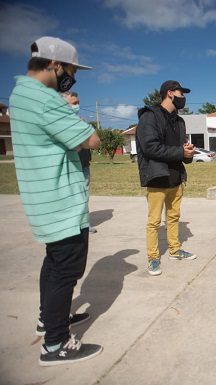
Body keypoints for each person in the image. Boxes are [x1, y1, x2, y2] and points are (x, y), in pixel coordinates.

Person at [9, 36, 102, 366]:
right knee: (66, 269)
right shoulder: (46, 101)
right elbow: (91, 139)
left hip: (43, 199)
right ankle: (55, 345)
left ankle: (48, 319)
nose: (73, 78)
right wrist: (74, 119)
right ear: (55, 65)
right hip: (60, 200)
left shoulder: (20, 93)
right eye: (72, 70)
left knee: (53, 266)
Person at [136, 80, 197, 276]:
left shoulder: (180, 121)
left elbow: (181, 150)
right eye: (181, 93)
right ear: (170, 93)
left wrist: (188, 153)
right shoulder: (149, 117)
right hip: (157, 178)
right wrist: (180, 152)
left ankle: (175, 250)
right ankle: (153, 258)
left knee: (174, 217)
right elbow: (150, 148)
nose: (183, 98)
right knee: (154, 222)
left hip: (176, 178)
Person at [62, 91, 97, 234]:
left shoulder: (81, 121)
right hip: (69, 167)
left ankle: (84, 224)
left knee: (84, 196)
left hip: (84, 164)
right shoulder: (61, 123)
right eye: (74, 103)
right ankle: (71, 226)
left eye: (78, 103)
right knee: (70, 197)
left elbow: (93, 141)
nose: (77, 106)